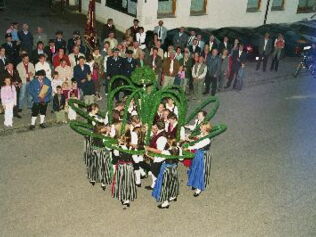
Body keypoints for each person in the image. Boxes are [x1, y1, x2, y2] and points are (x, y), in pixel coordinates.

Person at [150, 141, 180, 209]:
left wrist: (149, 155)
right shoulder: (179, 149)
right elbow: (181, 158)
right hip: (174, 168)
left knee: (165, 184)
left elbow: (157, 160)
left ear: (169, 143)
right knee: (173, 182)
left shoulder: (166, 152)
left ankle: (165, 203)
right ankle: (173, 196)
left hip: (166, 169)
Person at [187, 122, 213, 197]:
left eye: (202, 127)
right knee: (194, 168)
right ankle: (194, 183)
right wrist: (190, 138)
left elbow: (197, 145)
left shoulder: (207, 139)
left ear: (206, 129)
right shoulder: (202, 134)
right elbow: (196, 140)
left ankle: (199, 188)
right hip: (198, 153)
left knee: (200, 171)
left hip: (202, 155)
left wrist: (188, 147)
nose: (200, 128)